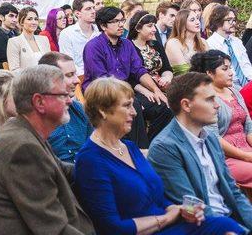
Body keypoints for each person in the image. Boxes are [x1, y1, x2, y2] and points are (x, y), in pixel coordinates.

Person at [75, 77, 244, 235]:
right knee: (224, 227)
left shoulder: (129, 148)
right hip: (149, 230)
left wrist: (182, 210)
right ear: (103, 111)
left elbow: (158, 197)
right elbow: (111, 227)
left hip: (168, 224)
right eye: (127, 106)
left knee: (224, 225)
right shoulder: (90, 160)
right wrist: (165, 218)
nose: (134, 112)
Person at [0, 65, 94, 235]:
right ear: (39, 102)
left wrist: (105, 168)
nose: (70, 100)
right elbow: (54, 229)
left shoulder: (24, 130)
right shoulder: (22, 147)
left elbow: (62, 170)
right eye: (62, 95)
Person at [148, 72, 252, 231]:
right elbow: (189, 204)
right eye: (210, 99)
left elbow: (233, 192)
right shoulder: (165, 147)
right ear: (186, 105)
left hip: (230, 219)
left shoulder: (210, 138)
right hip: (205, 226)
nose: (217, 105)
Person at [82, 6, 172, 148]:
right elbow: (102, 79)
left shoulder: (127, 44)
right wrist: (132, 98)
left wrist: (157, 91)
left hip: (126, 90)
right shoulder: (94, 46)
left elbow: (139, 71)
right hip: (101, 92)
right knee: (133, 105)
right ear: (103, 25)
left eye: (122, 20)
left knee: (165, 106)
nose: (120, 25)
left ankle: (153, 147)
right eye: (115, 21)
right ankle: (137, 150)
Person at [190, 50, 252, 188]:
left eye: (230, 67)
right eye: (225, 69)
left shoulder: (234, 91)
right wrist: (246, 156)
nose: (231, 72)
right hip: (224, 157)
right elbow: (213, 138)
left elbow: (248, 128)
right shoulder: (205, 98)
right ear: (209, 73)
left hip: (246, 149)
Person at [39, 52, 93, 163]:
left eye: (75, 74)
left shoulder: (80, 110)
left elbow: (93, 150)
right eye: (69, 75)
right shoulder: (35, 118)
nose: (77, 80)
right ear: (50, 80)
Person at [206, 5, 251, 88]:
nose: (233, 23)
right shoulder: (210, 44)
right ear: (217, 21)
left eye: (234, 20)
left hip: (248, 83)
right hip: (229, 87)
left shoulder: (237, 42)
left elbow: (246, 66)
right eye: (229, 20)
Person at [128, 11, 173, 92]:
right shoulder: (128, 47)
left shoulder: (156, 44)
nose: (154, 29)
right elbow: (130, 77)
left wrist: (166, 78)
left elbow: (166, 68)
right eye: (150, 26)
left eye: (154, 26)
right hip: (141, 90)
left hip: (162, 86)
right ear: (138, 28)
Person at [58, 0, 99, 76]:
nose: (93, 11)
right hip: (78, 79)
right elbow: (68, 62)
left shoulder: (100, 32)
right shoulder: (67, 34)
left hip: (101, 78)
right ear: (77, 13)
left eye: (93, 8)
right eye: (88, 9)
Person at [7, 7, 51, 71]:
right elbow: (14, 70)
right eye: (29, 19)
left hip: (46, 78)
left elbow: (50, 64)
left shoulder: (44, 39)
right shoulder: (14, 42)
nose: (34, 22)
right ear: (22, 22)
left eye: (36, 19)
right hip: (26, 79)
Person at [166, 9, 208, 75]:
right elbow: (183, 71)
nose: (197, 22)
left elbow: (212, 64)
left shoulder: (203, 42)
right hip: (184, 82)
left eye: (197, 18)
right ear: (183, 24)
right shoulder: (173, 43)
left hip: (205, 81)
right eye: (192, 20)